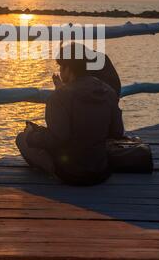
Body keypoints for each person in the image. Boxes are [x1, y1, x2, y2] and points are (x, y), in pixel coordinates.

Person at [16, 43, 124, 186]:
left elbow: (58, 139)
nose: (60, 72)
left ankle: (48, 165)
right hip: (101, 171)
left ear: (68, 68)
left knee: (22, 139)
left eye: (61, 67)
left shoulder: (59, 97)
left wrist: (32, 135)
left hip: (71, 173)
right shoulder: (108, 91)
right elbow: (117, 131)